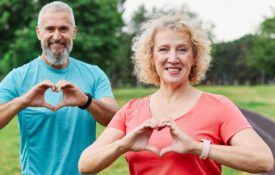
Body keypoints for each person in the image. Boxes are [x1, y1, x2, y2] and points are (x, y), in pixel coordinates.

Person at [78, 14, 274, 175]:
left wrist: (199, 148)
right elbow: (85, 165)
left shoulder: (219, 106)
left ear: (194, 57)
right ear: (151, 57)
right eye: (163, 49)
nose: (173, 58)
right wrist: (122, 145)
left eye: (182, 49)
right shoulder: (131, 110)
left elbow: (263, 160)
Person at [0, 1, 119, 174]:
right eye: (50, 29)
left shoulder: (94, 74)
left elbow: (118, 119)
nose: (57, 36)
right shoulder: (18, 77)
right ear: (38, 33)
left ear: (74, 32)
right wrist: (23, 101)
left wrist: (87, 102)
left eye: (63, 29)